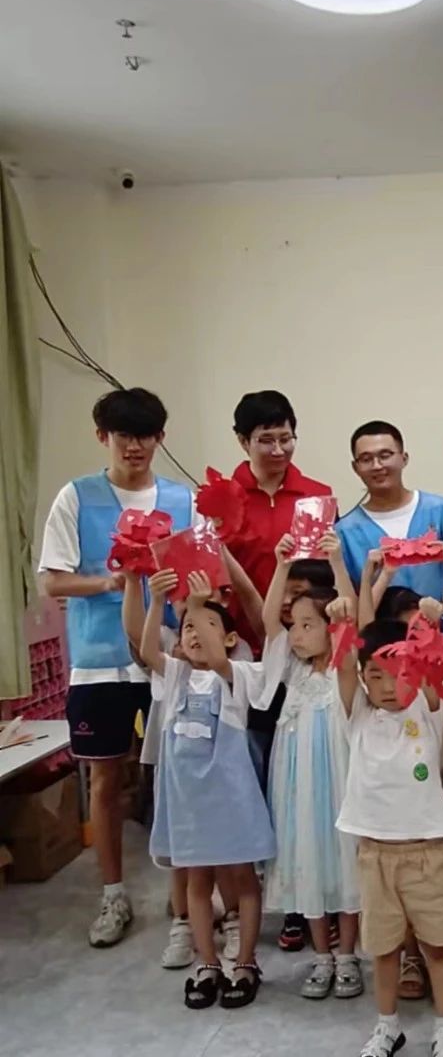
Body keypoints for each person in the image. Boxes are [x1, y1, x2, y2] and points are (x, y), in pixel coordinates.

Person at [38, 387, 195, 947]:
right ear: (103, 436)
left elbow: (199, 578)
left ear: (160, 438)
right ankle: (113, 895)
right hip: (99, 662)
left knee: (179, 774)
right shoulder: (76, 497)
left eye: (145, 435)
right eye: (124, 435)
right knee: (104, 779)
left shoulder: (182, 501)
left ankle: (186, 897)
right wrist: (114, 580)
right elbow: (53, 581)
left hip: (168, 657)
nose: (135, 446)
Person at [139, 568, 274, 1009]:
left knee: (243, 879)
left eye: (208, 625)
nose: (196, 633)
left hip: (231, 800)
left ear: (231, 638)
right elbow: (147, 650)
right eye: (188, 629)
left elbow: (217, 660)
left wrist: (196, 605)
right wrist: (158, 602)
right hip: (188, 804)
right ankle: (208, 963)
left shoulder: (237, 675)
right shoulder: (175, 675)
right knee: (197, 883)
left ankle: (247, 961)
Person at [337, 618, 443, 1057]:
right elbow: (343, 666)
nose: (389, 686)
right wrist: (341, 620)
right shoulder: (357, 715)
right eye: (376, 676)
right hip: (374, 853)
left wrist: (425, 630)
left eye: (399, 674)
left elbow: (437, 669)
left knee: (438, 946)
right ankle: (387, 1026)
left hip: (427, 852)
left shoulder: (427, 711)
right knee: (384, 949)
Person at [260, 532, 363, 1000]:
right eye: (295, 624)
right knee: (308, 865)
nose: (296, 633)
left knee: (343, 865)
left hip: (337, 789)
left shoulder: (343, 671)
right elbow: (269, 622)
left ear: (331, 628)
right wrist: (281, 566)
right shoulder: (292, 670)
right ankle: (322, 956)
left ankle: (348, 956)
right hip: (297, 793)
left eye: (307, 624)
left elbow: (351, 614)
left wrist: (338, 562)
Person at [225, 390, 332, 601]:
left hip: (302, 616)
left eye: (285, 439)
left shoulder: (318, 496)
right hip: (240, 617)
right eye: (267, 440)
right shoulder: (223, 498)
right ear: (243, 441)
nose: (278, 451)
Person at [336, 420, 443, 603]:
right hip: (381, 622)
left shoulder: (442, 510)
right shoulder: (345, 532)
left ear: (404, 458)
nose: (377, 465)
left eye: (385, 456)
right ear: (356, 467)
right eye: (366, 459)